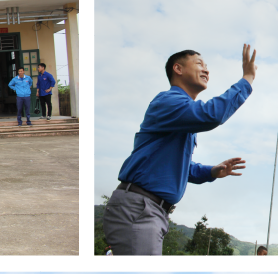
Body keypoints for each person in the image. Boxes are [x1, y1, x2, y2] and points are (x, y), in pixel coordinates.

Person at [108, 46, 254, 256]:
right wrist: (247, 78)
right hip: (140, 207)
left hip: (151, 209)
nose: (206, 70)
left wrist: (212, 171)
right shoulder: (168, 101)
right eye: (199, 64)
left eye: (207, 67)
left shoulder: (181, 114)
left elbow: (177, 167)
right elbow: (211, 114)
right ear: (178, 68)